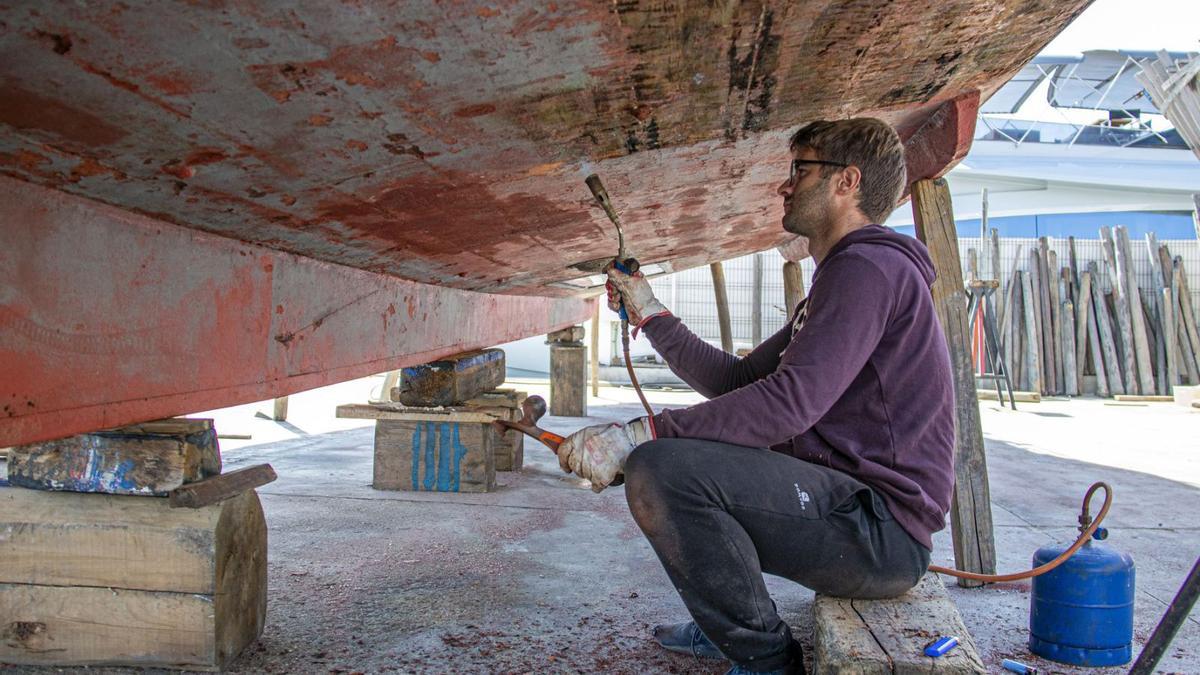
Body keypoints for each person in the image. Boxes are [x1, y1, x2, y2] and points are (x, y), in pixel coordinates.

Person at [556, 118, 956, 675]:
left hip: (881, 533)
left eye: (800, 169)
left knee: (664, 470)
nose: (784, 186)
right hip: (856, 512)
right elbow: (740, 383)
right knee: (688, 457)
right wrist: (649, 311)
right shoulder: (848, 276)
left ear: (847, 182)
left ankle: (766, 661)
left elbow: (790, 404)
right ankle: (729, 623)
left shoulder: (868, 268)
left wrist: (643, 434)